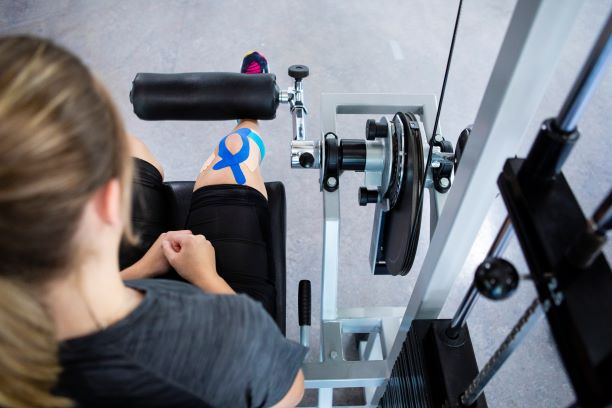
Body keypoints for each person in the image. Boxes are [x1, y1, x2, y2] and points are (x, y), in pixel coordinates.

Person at [0, 36, 305, 407]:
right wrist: (206, 277)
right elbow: (290, 392)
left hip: (126, 280)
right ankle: (248, 116)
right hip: (215, 303)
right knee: (233, 157)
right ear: (111, 202)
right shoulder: (234, 339)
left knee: (130, 149)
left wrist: (141, 270)